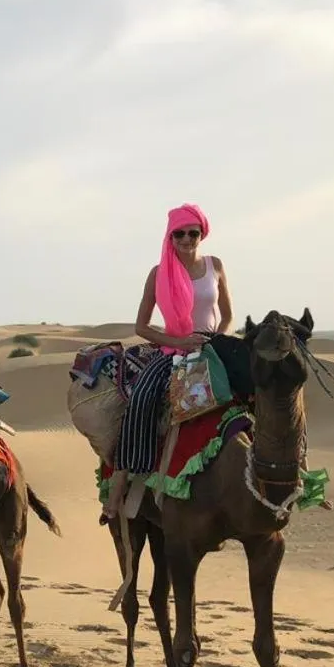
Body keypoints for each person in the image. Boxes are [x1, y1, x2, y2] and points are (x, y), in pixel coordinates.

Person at [105, 203, 232, 519]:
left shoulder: (215, 265)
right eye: (180, 234)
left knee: (266, 387)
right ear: (170, 237)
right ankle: (121, 481)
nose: (187, 239)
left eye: (193, 233)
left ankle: (292, 473)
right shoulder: (159, 273)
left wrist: (216, 341)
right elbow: (142, 326)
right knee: (142, 398)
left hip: (213, 346)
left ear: (202, 234)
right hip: (173, 349)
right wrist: (179, 343)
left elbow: (227, 315)